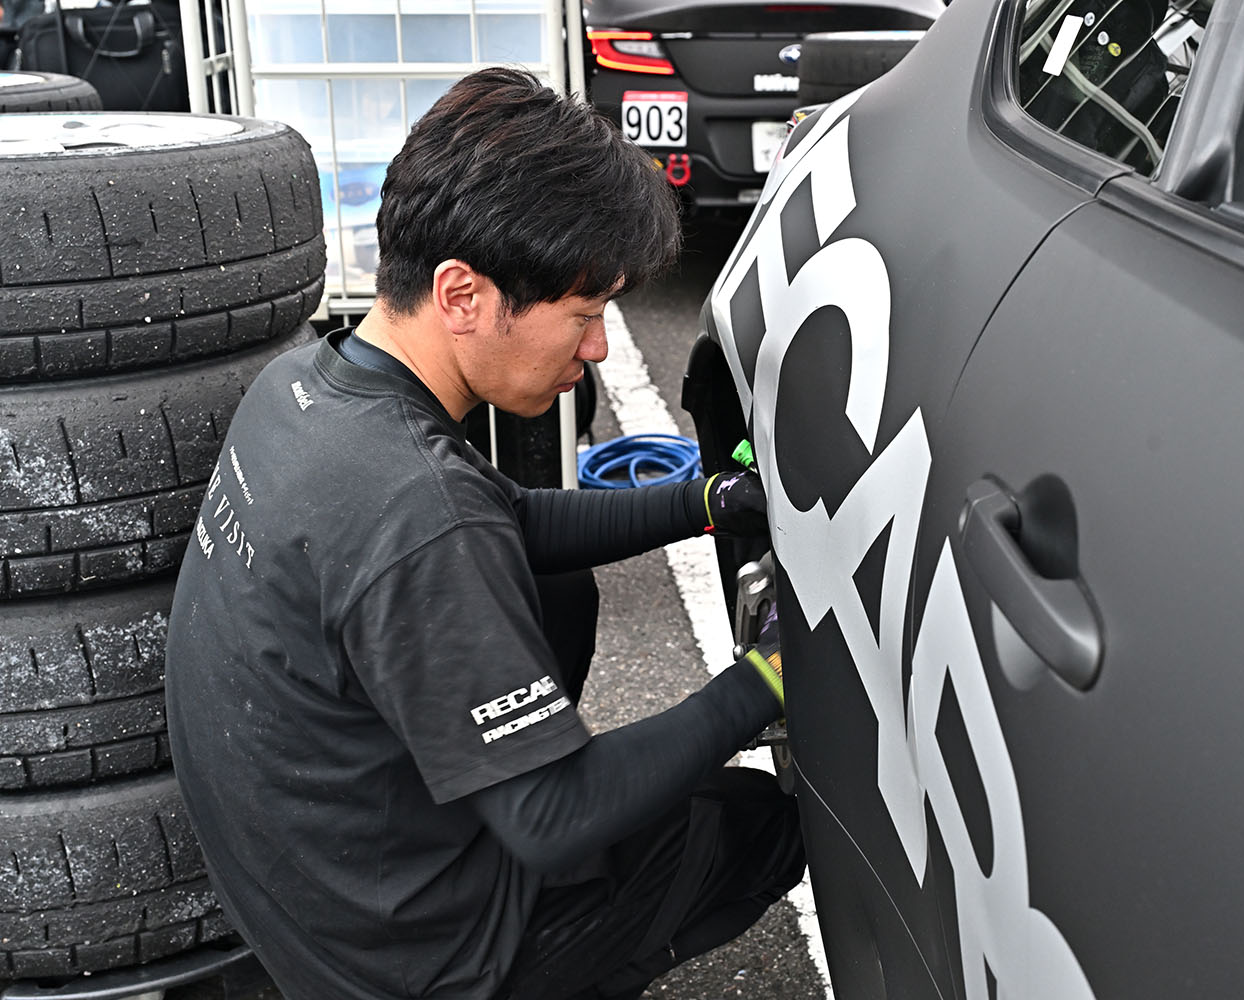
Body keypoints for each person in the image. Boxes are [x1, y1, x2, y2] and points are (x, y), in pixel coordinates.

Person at [164, 67, 802, 1000]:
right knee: (759, 821)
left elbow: (508, 521)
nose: (594, 351)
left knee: (557, 585)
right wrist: (769, 677)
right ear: (463, 294)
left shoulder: (308, 389)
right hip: (420, 965)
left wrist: (706, 500)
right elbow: (553, 813)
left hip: (309, 902)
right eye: (584, 316)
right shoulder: (417, 510)